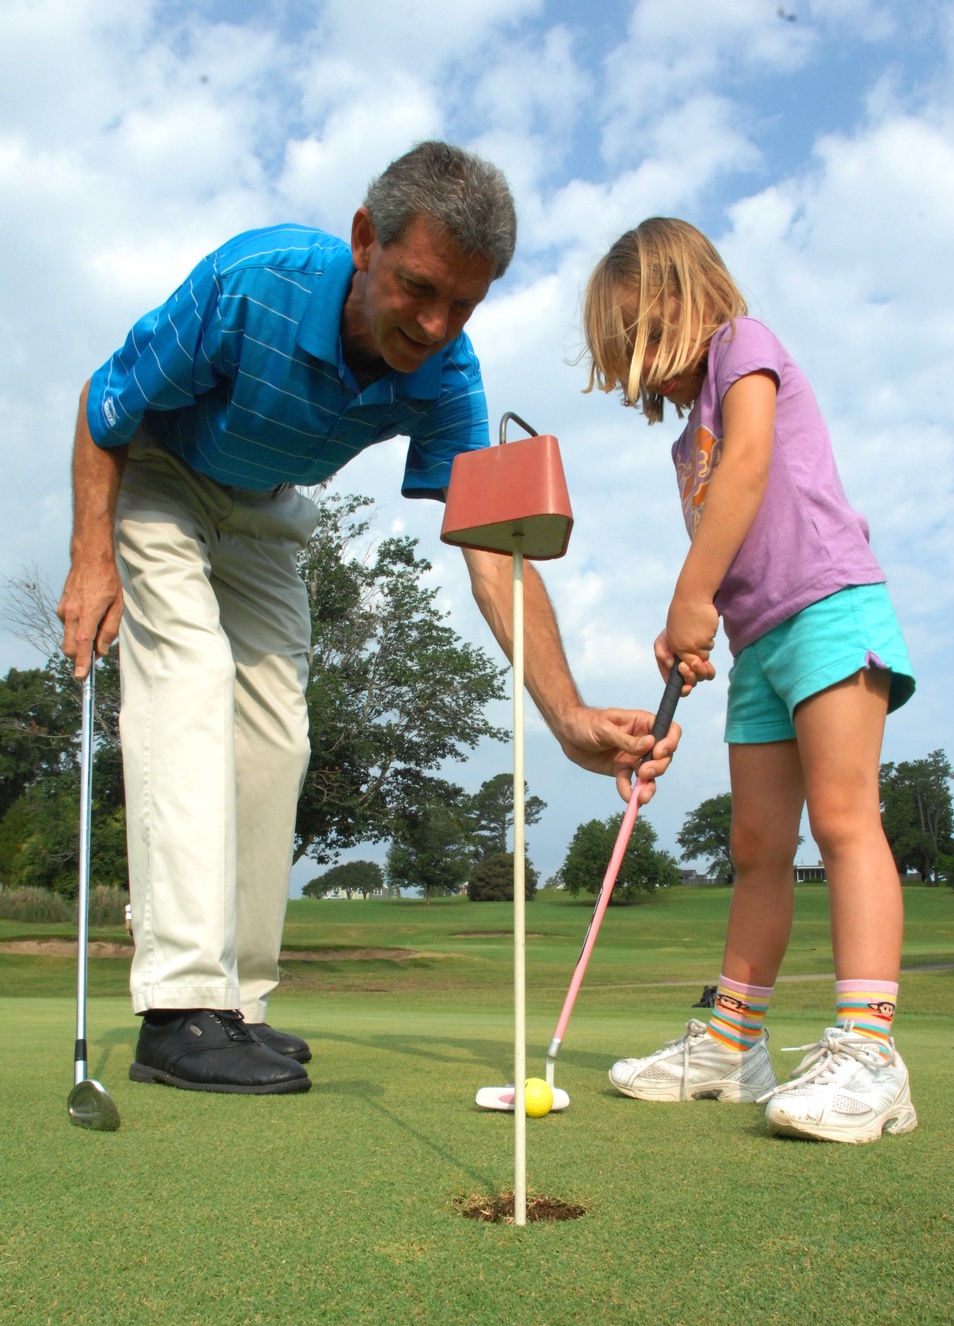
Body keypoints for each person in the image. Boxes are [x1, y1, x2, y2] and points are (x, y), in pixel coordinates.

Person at [56, 142, 676, 1097]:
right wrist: (91, 558)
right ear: (363, 240)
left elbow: (490, 549)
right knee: (186, 684)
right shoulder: (248, 283)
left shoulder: (448, 374)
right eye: (419, 288)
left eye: (463, 304)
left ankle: (235, 1005)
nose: (435, 324)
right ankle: (178, 1009)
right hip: (158, 476)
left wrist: (568, 718)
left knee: (277, 740)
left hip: (264, 507)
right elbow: (104, 405)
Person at [582, 217, 918, 1144]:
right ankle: (733, 1044)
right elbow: (725, 545)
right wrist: (688, 629)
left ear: (689, 299)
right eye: (627, 353)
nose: (644, 366)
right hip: (758, 641)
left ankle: (869, 1050)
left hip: (830, 607)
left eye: (645, 335)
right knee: (757, 845)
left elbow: (754, 465)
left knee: (845, 820)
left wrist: (687, 594)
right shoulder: (681, 444)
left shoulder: (745, 347)